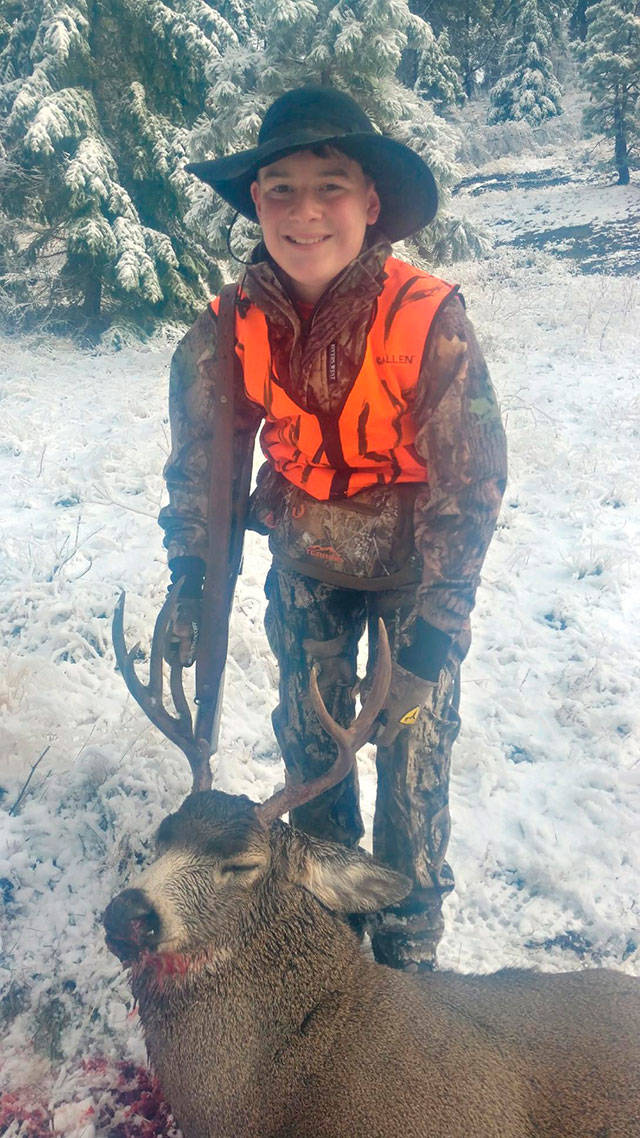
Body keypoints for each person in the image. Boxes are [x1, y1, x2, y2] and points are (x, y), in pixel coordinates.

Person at [158, 87, 507, 972]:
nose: (305, 212)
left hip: (413, 573)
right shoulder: (224, 330)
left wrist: (432, 639)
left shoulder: (429, 318)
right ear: (256, 206)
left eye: (331, 186)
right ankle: (326, 926)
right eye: (280, 189)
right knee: (314, 750)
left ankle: (406, 941)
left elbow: (471, 483)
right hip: (306, 563)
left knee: (413, 752)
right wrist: (190, 581)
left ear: (371, 205)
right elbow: (203, 473)